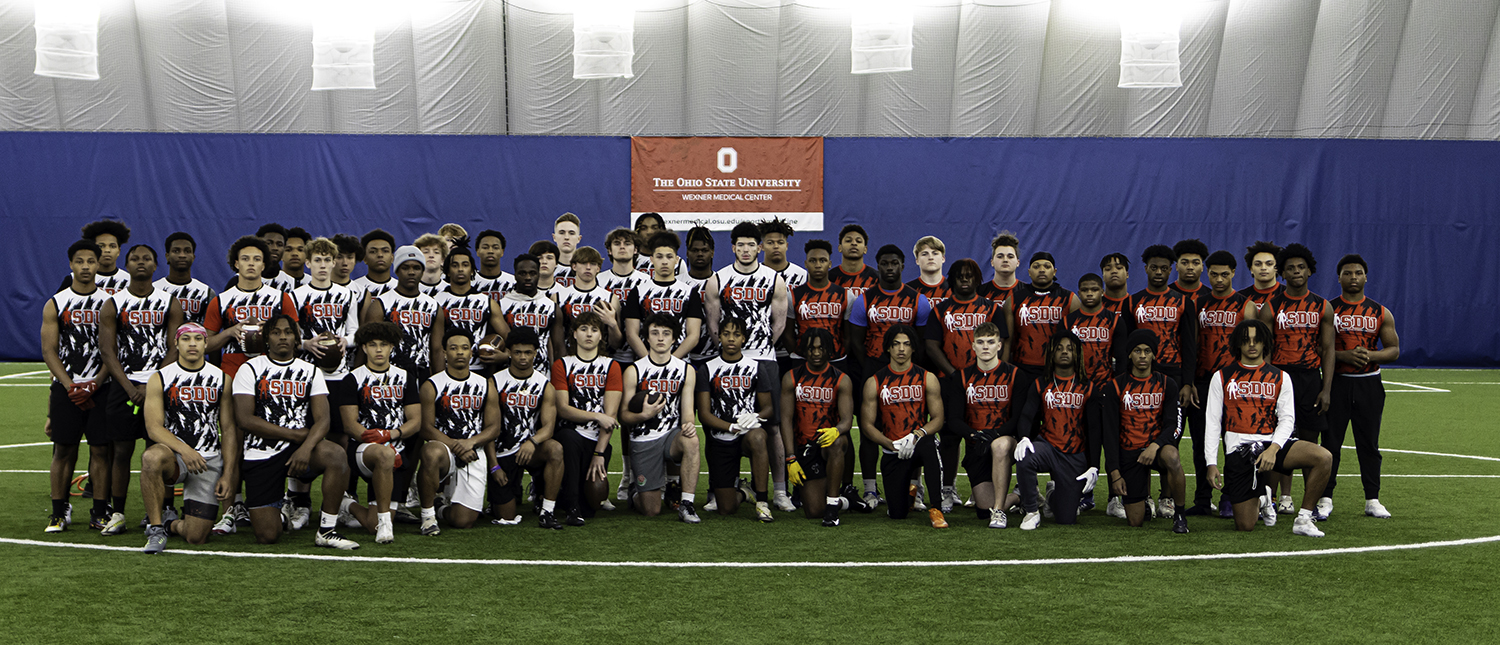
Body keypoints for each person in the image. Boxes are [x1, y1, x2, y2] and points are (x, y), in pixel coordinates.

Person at [232, 314, 360, 549]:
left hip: (301, 448)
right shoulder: (249, 368)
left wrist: (305, 448)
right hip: (262, 452)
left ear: (297, 339)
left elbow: (323, 420)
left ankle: (327, 530)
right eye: (276, 332)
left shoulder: (311, 371)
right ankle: (281, 516)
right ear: (266, 339)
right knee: (267, 535)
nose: (283, 337)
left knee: (336, 455)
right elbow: (245, 419)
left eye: (288, 332)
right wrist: (293, 436)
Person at [1204, 320, 1333, 537]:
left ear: (1265, 343)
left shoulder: (1281, 377)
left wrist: (1273, 449)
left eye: (1257, 340)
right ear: (1238, 344)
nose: (1251, 345)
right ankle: (1263, 497)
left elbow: (1287, 419)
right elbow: (1213, 422)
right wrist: (1211, 463)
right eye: (1246, 340)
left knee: (1323, 457)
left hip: (1270, 443)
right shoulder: (1222, 377)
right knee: (1245, 525)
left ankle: (1303, 518)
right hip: (1239, 449)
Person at [703, 222, 792, 512]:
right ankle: (718, 489)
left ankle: (780, 491)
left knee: (772, 427)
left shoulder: (773, 279)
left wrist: (759, 347)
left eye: (751, 245)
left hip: (763, 359)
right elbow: (713, 325)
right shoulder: (718, 279)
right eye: (740, 244)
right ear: (733, 247)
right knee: (718, 425)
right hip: (728, 361)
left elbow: (779, 323)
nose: (745, 249)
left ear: (759, 247)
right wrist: (731, 351)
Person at [98, 244, 184, 534]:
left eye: (147, 258)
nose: (141, 262)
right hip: (124, 386)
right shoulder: (113, 303)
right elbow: (107, 351)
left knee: (160, 451)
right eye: (135, 258)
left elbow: (175, 347)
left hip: (159, 387)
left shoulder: (169, 302)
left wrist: (152, 384)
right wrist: (129, 387)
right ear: (127, 265)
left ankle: (162, 510)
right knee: (121, 451)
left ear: (155, 266)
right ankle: (118, 512)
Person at [847, 245, 933, 510]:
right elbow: (856, 340)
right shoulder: (865, 299)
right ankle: (870, 489)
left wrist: (910, 368)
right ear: (878, 266)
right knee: (869, 429)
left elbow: (921, 341)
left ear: (902, 265)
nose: (889, 268)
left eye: (894, 263)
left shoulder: (918, 299)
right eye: (884, 263)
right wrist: (873, 368)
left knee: (910, 427)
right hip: (875, 367)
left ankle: (914, 490)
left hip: (908, 370)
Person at [138, 323, 237, 553]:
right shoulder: (160, 377)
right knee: (151, 457)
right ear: (176, 343)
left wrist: (228, 474)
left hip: (208, 460)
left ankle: (170, 525)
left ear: (206, 343)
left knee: (196, 537)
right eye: (186, 339)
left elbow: (228, 429)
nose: (192, 344)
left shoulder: (222, 378)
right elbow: (153, 428)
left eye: (198, 339)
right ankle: (156, 529)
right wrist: (185, 450)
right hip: (174, 457)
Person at [1256, 243, 1335, 516]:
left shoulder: (1322, 306)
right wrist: (1267, 384)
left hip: (1310, 379)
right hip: (1280, 379)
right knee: (1277, 439)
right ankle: (1272, 501)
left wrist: (1326, 388)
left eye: (1301, 267)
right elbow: (1264, 351)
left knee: (1310, 442)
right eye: (1290, 268)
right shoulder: (1271, 307)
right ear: (1282, 273)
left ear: (1310, 271)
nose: (1296, 272)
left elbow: (1328, 350)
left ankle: (1310, 505)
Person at [41, 240, 112, 533]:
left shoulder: (109, 302)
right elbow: (49, 351)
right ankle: (58, 513)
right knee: (63, 449)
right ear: (71, 264)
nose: (85, 267)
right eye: (79, 261)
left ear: (98, 265)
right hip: (66, 388)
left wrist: (96, 382)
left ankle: (100, 512)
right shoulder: (56, 303)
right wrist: (71, 386)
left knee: (101, 450)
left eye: (90, 261)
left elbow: (113, 350)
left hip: (101, 388)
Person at [1321, 254, 1399, 519]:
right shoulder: (1328, 309)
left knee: (1369, 444)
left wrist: (1370, 355)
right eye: (1347, 273)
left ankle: (1372, 499)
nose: (1353, 277)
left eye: (1358, 273)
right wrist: (1343, 356)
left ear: (1366, 277)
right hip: (1337, 383)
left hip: (1369, 384)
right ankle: (1325, 498)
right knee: (1330, 444)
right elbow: (1318, 347)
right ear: (1339, 277)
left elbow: (1393, 350)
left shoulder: (1380, 311)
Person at [1129, 245, 1200, 515]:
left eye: (1163, 268)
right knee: (1141, 433)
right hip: (1141, 376)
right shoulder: (1133, 302)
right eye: (1153, 268)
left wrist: (1187, 382)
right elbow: (1127, 346)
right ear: (1145, 269)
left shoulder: (1183, 302)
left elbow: (1190, 345)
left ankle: (1167, 497)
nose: (1158, 272)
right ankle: (1144, 495)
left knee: (1171, 436)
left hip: (1174, 375)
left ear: (1171, 270)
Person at [337, 321, 421, 544]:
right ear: (364, 348)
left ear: (391, 346)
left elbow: (416, 421)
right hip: (364, 448)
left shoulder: (405, 377)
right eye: (372, 345)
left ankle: (345, 504)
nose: (378, 350)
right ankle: (386, 524)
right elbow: (349, 424)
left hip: (395, 448)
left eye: (383, 344)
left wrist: (391, 435)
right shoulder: (352, 378)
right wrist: (373, 438)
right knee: (384, 454)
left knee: (370, 524)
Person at [1100, 330, 1189, 533]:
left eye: (1147, 351)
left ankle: (1180, 514)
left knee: (1173, 456)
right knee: (1135, 521)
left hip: (1156, 449)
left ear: (1154, 355)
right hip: (1129, 451)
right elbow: (1110, 433)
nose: (1142, 356)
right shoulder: (1115, 386)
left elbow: (1173, 425)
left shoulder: (1167, 384)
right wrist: (1115, 473)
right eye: (1137, 351)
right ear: (1129, 354)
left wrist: (1155, 446)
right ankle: (1144, 502)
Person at [861, 325, 948, 527]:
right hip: (893, 448)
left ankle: (936, 509)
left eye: (906, 344)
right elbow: (866, 425)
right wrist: (890, 444)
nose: (901, 349)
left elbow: (938, 418)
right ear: (888, 348)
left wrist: (917, 434)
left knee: (930, 446)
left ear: (913, 348)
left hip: (919, 441)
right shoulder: (874, 382)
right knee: (897, 514)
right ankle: (909, 493)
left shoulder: (927, 378)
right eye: (896, 344)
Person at [1013, 331, 1101, 530]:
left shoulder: (1088, 388)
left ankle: (1053, 495)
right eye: (1059, 348)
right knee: (1025, 456)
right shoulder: (1040, 383)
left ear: (1077, 354)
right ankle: (1031, 511)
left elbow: (1094, 429)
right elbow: (1026, 415)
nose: (1064, 352)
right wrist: (1024, 437)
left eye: (1070, 349)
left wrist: (1094, 465)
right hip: (1048, 446)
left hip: (1074, 454)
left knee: (1066, 518)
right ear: (1051, 353)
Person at [416, 330, 502, 534]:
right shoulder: (431, 385)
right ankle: (428, 517)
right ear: (445, 353)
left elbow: (494, 427)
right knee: (430, 452)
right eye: (453, 348)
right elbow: (426, 428)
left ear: (472, 352)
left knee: (463, 521)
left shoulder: (485, 384)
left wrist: (470, 443)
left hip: (473, 451)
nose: (460, 352)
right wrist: (456, 446)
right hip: (444, 448)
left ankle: (440, 507)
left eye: (465, 348)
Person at [620, 314, 702, 523]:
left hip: (670, 436)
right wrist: (644, 415)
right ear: (647, 337)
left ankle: (687, 504)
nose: (660, 338)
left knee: (691, 440)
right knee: (651, 510)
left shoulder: (685, 370)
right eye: (655, 333)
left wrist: (689, 426)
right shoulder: (634, 370)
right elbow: (624, 415)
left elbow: (687, 412)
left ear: (674, 339)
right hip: (643, 439)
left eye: (666, 334)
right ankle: (635, 491)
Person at [1183, 250, 1248, 516]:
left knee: (1233, 442)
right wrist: (1191, 380)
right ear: (1207, 274)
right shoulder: (1197, 303)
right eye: (1214, 274)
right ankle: (1202, 499)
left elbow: (1253, 348)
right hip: (1203, 381)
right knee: (1201, 443)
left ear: (1233, 273)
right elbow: (1191, 345)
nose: (1219, 279)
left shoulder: (1245, 305)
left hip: (1234, 384)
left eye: (1224, 274)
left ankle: (1230, 498)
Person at [939, 322, 1022, 528]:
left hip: (1006, 442)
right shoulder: (962, 377)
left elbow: (1018, 418)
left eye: (991, 342)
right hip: (977, 446)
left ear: (999, 346)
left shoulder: (1014, 374)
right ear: (973, 346)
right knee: (984, 510)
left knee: (999, 445)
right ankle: (1020, 496)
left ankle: (999, 512)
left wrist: (996, 434)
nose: (986, 347)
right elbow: (954, 419)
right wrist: (973, 435)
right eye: (981, 342)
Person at [696, 316, 776, 521]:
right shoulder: (707, 368)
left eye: (737, 334)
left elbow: (768, 408)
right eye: (726, 334)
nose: (731, 338)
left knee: (759, 437)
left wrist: (755, 416)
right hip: (721, 437)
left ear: (744, 339)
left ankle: (762, 502)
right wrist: (730, 427)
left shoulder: (756, 367)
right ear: (719, 337)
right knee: (726, 508)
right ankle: (743, 492)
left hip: (748, 435)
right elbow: (704, 414)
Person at [488, 328, 567, 529]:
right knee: (506, 515)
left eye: (528, 352)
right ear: (509, 352)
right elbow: (489, 430)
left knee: (555, 449)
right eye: (517, 352)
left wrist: (533, 442)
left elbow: (548, 427)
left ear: (535, 353)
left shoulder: (544, 385)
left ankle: (547, 511)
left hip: (530, 450)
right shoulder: (495, 382)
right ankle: (500, 497)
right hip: (503, 452)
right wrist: (494, 466)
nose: (523, 357)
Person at [551, 311, 624, 526]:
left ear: (601, 336)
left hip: (595, 440)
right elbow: (563, 409)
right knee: (570, 439)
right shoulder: (562, 364)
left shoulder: (611, 366)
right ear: (574, 334)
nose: (589, 334)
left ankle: (572, 500)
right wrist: (596, 416)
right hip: (570, 434)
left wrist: (599, 453)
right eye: (583, 329)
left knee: (590, 507)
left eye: (594, 330)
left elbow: (611, 416)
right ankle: (570, 506)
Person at [780, 329, 856, 526]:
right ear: (804, 350)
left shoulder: (842, 379)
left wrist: (836, 430)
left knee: (837, 442)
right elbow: (786, 419)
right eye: (811, 348)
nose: (816, 353)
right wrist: (790, 458)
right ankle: (845, 502)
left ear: (829, 350)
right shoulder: (791, 377)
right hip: (805, 447)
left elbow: (847, 421)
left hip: (828, 444)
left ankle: (832, 509)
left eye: (821, 348)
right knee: (814, 511)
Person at [203, 236, 299, 377]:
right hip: (233, 370)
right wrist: (229, 332)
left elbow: (297, 338)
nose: (251, 263)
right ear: (236, 264)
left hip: (272, 369)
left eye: (257, 259)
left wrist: (272, 331)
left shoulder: (281, 298)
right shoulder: (221, 300)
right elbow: (205, 345)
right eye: (245, 259)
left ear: (263, 265)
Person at [364, 245, 443, 380]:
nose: (411, 272)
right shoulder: (381, 304)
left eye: (416, 268)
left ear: (422, 271)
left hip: (421, 373)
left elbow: (436, 350)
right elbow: (369, 345)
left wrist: (439, 382)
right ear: (397, 271)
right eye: (405, 268)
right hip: (389, 375)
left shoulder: (433, 306)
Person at [623, 231, 704, 361]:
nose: (664, 262)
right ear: (652, 259)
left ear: (677, 260)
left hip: (680, 363)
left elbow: (693, 336)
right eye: (659, 257)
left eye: (669, 257)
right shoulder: (638, 292)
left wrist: (672, 362)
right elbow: (632, 335)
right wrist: (650, 361)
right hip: (645, 363)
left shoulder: (690, 293)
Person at [292, 237, 360, 386]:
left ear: (333, 263)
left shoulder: (347, 295)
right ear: (308, 263)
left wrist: (345, 341)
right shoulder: (295, 296)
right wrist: (306, 344)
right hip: (307, 372)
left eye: (327, 260)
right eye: (317, 260)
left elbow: (355, 334)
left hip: (340, 373)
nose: (323, 265)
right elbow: (290, 338)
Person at [434, 245, 507, 372]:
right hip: (448, 368)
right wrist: (439, 376)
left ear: (472, 270)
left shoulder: (487, 302)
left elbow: (508, 336)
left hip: (479, 369)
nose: (460, 269)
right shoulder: (436, 301)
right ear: (448, 271)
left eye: (465, 265)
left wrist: (506, 355)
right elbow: (435, 346)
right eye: (455, 265)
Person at [1010, 252, 1081, 380]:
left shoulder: (1069, 299)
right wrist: (1005, 369)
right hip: (1023, 366)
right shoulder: (1015, 299)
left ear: (1054, 272)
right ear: (1029, 272)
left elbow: (1077, 341)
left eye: (1047, 267)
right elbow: (1008, 340)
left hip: (1058, 367)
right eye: (1036, 266)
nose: (1042, 270)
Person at [497, 254, 565, 374]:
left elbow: (559, 348)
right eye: (522, 273)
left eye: (532, 273)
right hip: (509, 373)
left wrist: (559, 378)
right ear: (515, 275)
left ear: (538, 274)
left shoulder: (551, 307)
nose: (528, 277)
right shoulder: (502, 306)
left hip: (543, 374)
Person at [554, 246, 624, 355]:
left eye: (593, 264)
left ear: (598, 268)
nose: (588, 267)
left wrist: (612, 324)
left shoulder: (610, 298)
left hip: (601, 358)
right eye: (583, 263)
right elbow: (556, 340)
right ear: (574, 266)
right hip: (569, 356)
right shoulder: (558, 297)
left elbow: (617, 344)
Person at [600, 228, 648, 364]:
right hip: (608, 355)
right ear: (609, 250)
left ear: (635, 250)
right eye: (617, 243)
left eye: (627, 243)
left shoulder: (647, 281)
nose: (622, 247)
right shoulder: (598, 281)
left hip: (641, 352)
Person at [156, 232, 216, 326]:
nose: (182, 255)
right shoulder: (155, 289)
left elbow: (210, 330)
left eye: (187, 251)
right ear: (167, 256)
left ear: (193, 257)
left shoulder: (206, 293)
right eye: (176, 251)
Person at [61, 220, 132, 295]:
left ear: (118, 251)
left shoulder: (129, 280)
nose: (107, 250)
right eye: (101, 246)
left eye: (112, 246)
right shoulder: (74, 279)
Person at [682, 227, 719, 364]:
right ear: (687, 253)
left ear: (712, 253)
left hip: (715, 355)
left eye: (704, 250)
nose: (699, 254)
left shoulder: (722, 282)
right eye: (695, 250)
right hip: (683, 355)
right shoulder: (678, 283)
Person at [351, 229, 397, 317]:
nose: (380, 255)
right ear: (364, 258)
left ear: (392, 258)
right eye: (373, 251)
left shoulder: (399, 288)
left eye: (385, 251)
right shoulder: (354, 288)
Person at [829, 224, 878, 304]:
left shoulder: (877, 278)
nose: (854, 243)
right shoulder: (829, 278)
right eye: (848, 241)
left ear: (865, 249)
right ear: (840, 248)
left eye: (858, 241)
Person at [977, 231, 1020, 309]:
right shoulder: (979, 293)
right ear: (992, 262)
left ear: (1018, 262)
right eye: (1000, 256)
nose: (1005, 260)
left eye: (1010, 256)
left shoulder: (1027, 292)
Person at [1237, 240, 1284, 312]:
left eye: (1269, 264)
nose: (1263, 268)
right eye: (1258, 264)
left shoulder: (1288, 295)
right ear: (1251, 269)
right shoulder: (1240, 298)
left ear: (1277, 268)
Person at [472, 229, 516, 302]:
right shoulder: (469, 283)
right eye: (485, 247)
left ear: (502, 252)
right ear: (478, 251)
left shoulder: (514, 283)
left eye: (495, 248)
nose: (490, 251)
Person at [907, 236, 952, 306]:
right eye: (924, 254)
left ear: (943, 258)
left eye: (935, 253)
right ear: (917, 260)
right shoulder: (907, 291)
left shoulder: (955, 290)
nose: (930, 257)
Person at [413, 233, 450, 297]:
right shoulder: (408, 289)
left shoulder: (450, 290)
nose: (431, 256)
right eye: (426, 252)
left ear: (443, 260)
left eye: (436, 252)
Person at [552, 212, 582, 288]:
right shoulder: (545, 268)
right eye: (562, 233)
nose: (566, 237)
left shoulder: (588, 269)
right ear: (554, 237)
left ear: (579, 239)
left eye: (571, 233)